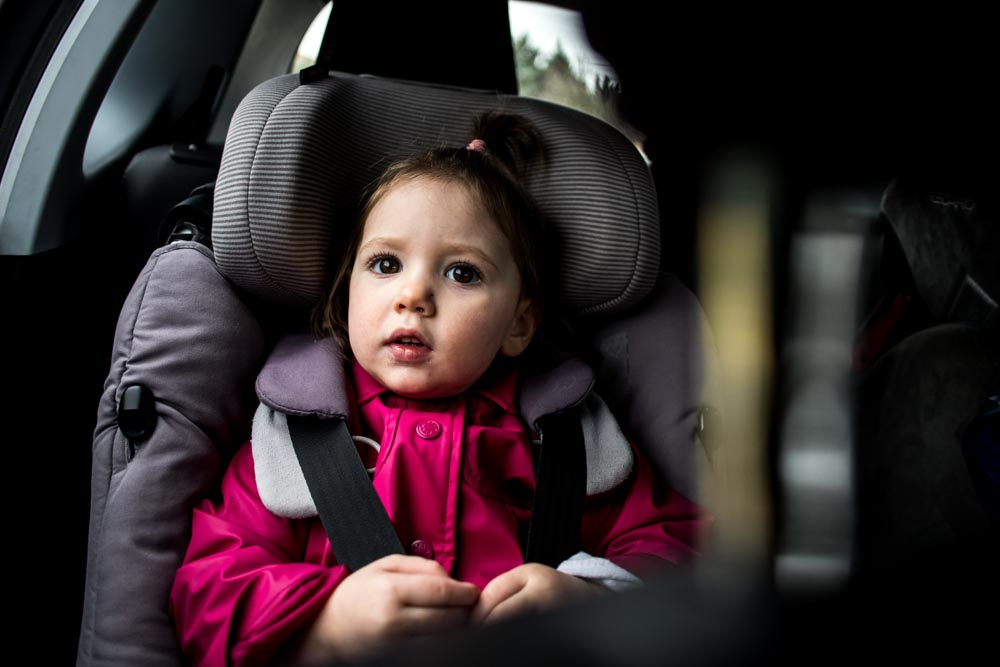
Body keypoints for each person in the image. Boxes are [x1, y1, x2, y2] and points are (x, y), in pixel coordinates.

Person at [170, 112, 709, 666]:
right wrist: (326, 623)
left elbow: (682, 547)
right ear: (345, 294)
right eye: (385, 264)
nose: (414, 294)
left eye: (462, 274)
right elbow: (210, 583)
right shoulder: (292, 436)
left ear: (519, 324)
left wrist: (589, 598)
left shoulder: (569, 438)